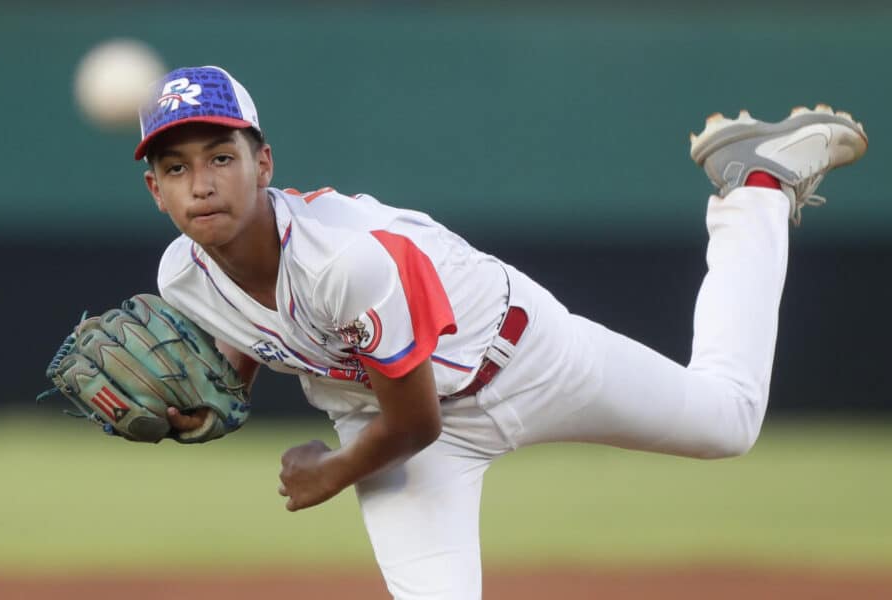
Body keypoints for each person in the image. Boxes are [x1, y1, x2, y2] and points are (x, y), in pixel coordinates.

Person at [136, 65, 867, 599]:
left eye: (221, 157)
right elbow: (253, 338)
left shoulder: (346, 260)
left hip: (523, 360)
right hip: (390, 421)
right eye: (177, 167)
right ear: (155, 189)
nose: (202, 183)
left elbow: (415, 423)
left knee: (729, 421)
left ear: (263, 164)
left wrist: (332, 471)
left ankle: (754, 189)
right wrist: (204, 401)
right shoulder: (182, 277)